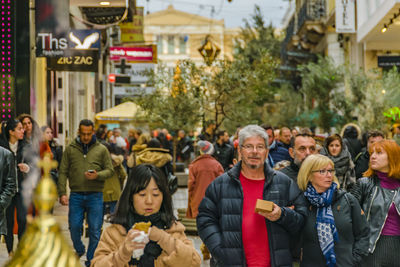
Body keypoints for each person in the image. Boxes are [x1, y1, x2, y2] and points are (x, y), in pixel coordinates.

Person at [197, 124, 307, 266]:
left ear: (267, 152)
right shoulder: (220, 185)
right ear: (239, 150)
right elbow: (205, 219)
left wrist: (282, 215)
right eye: (248, 146)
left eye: (260, 147)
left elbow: (302, 220)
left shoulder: (284, 183)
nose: (254, 151)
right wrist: (220, 250)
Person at [91, 164, 201, 266]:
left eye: (155, 194)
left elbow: (194, 262)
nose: (149, 201)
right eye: (142, 194)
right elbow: (96, 264)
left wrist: (163, 238)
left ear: (163, 197)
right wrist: (122, 254)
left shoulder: (172, 229)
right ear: (130, 196)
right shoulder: (115, 232)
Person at [58, 119, 114, 267]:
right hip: (76, 194)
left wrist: (98, 175)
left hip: (95, 195)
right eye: (83, 134)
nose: (86, 137)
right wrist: (62, 192)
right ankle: (79, 248)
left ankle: (90, 261)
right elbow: (62, 172)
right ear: (79, 132)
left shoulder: (102, 149)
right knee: (74, 226)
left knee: (95, 230)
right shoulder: (70, 149)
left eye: (89, 134)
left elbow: (110, 170)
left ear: (93, 133)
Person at [297, 154, 369, 266]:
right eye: (322, 171)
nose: (329, 175)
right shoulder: (301, 201)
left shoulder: (347, 200)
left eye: (331, 171)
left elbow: (363, 233)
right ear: (309, 175)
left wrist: (355, 260)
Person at [351, 140, 400, 266]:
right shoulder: (364, 184)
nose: (373, 156)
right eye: (372, 153)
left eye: (379, 153)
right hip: (372, 247)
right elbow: (349, 216)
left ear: (393, 157)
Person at [0, 118, 30, 256]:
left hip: (22, 189)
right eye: (19, 128)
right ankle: (10, 250)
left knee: (23, 219)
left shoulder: (26, 146)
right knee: (9, 220)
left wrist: (27, 168)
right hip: (7, 190)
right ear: (11, 132)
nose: (23, 130)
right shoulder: (2, 148)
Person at [186, 140, 224, 219]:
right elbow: (222, 186)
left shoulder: (194, 165)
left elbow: (191, 186)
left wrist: (191, 203)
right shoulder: (217, 165)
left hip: (198, 202)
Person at [103, 145, 127, 217]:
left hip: (101, 191)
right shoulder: (116, 162)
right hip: (115, 191)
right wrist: (120, 184)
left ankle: (99, 228)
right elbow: (123, 175)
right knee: (114, 214)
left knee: (99, 215)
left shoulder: (97, 162)